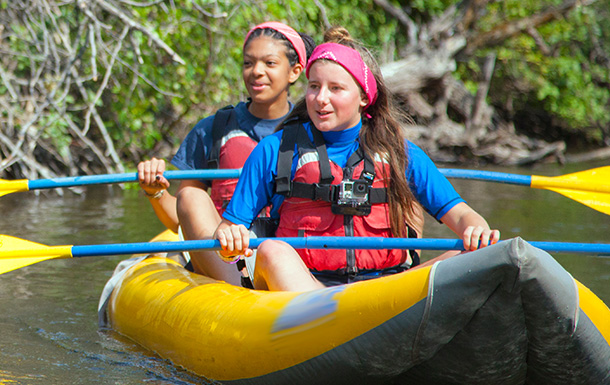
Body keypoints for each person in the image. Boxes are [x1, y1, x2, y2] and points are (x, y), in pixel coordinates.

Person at [214, 27, 500, 291]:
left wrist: (477, 229)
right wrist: (230, 241)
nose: (320, 98)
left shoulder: (399, 152)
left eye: (336, 89)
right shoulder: (274, 150)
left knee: (476, 253)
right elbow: (229, 229)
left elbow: (461, 215)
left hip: (387, 290)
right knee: (272, 251)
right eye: (314, 86)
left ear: (364, 97)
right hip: (308, 289)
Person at [137, 21, 316, 285]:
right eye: (248, 63)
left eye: (269, 63)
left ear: (295, 71)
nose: (256, 72)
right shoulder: (213, 130)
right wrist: (156, 192)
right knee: (190, 196)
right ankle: (238, 286)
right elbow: (180, 222)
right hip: (227, 260)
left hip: (287, 257)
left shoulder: (314, 132)